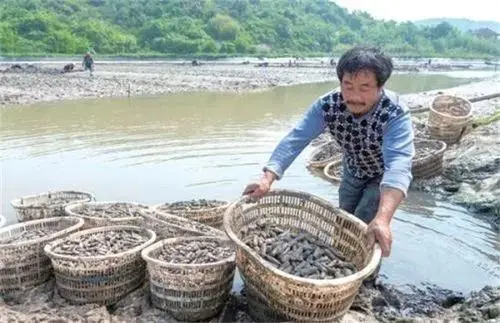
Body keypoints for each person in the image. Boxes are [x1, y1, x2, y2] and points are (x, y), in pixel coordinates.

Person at [242, 45, 415, 259]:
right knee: (343, 220)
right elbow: (296, 138)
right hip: (352, 169)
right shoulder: (328, 105)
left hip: (382, 176)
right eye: (348, 86)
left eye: (364, 88)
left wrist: (383, 218)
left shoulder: (394, 113)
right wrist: (267, 178)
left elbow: (398, 164)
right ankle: (340, 262)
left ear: (381, 86)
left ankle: (366, 276)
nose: (354, 96)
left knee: (366, 222)